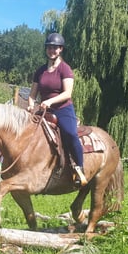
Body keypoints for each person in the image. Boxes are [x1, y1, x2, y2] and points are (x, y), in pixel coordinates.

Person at [27, 33, 88, 187]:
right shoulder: (40, 71)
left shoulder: (65, 69)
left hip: (62, 108)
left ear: (61, 49)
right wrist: (30, 104)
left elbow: (67, 93)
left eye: (55, 47)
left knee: (70, 133)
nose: (51, 50)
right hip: (43, 110)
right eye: (49, 47)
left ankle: (79, 169)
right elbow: (32, 94)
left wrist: (49, 101)